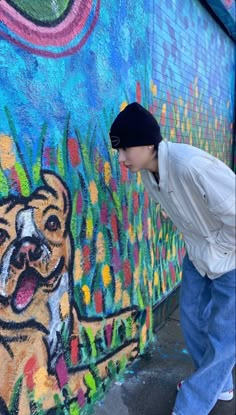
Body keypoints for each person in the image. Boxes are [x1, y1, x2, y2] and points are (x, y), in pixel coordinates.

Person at [109, 102, 236, 415]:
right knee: (191, 319)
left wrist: (214, 244)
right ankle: (219, 385)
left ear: (149, 143)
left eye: (126, 149)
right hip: (198, 256)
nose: (121, 158)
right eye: (118, 151)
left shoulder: (191, 165)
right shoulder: (149, 174)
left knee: (224, 337)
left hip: (231, 259)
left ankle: (191, 405)